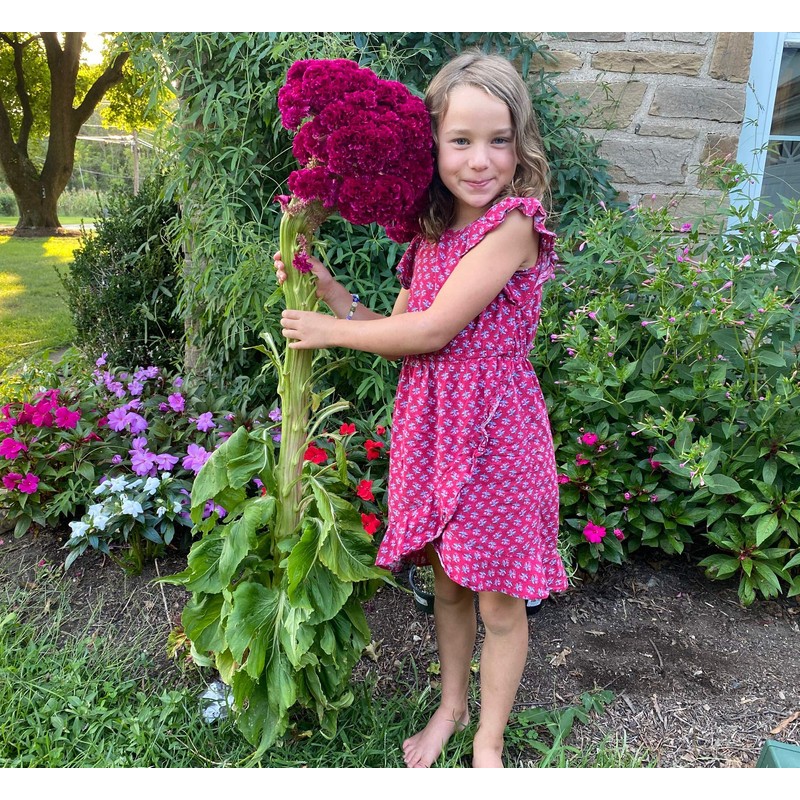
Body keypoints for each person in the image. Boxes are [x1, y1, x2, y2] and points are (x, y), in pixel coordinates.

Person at [275, 51, 569, 768]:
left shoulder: (513, 227)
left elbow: (434, 330)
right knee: (447, 584)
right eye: (460, 140)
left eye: (498, 140)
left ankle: (488, 743)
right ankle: (450, 706)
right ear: (431, 143)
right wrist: (325, 287)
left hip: (496, 436)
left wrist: (329, 331)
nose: (480, 160)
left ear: (520, 144)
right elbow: (396, 333)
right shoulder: (427, 237)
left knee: (497, 598)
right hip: (433, 433)